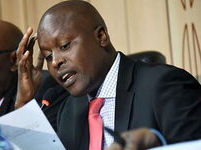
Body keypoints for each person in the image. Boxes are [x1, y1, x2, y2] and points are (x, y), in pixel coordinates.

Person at [14, 1, 201, 150]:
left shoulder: (165, 86)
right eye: (48, 56)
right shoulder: (68, 110)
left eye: (64, 46)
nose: (55, 62)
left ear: (101, 36)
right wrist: (23, 104)